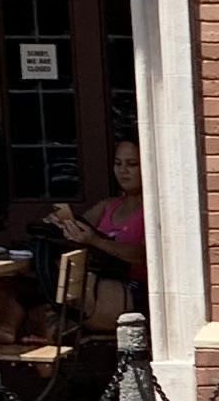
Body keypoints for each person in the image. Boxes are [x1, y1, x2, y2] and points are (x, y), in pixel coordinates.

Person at [42, 138, 148, 332]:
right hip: (97, 283)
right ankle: (7, 328)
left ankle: (57, 329)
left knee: (79, 286)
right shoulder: (108, 205)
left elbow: (142, 255)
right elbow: (81, 225)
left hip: (133, 287)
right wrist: (61, 223)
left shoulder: (151, 210)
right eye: (118, 163)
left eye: (132, 164)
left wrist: (95, 241)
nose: (123, 170)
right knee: (23, 280)